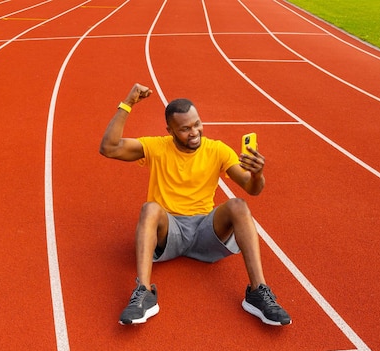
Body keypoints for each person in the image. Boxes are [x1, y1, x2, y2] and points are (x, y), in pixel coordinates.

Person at [99, 83, 291, 326]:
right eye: (185, 128)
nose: (194, 132)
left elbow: (253, 189)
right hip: (169, 232)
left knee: (238, 205)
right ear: (170, 130)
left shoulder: (217, 149)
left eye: (197, 124)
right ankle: (144, 294)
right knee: (150, 209)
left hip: (205, 230)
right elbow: (108, 147)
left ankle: (257, 292)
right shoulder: (156, 147)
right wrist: (128, 103)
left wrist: (257, 174)